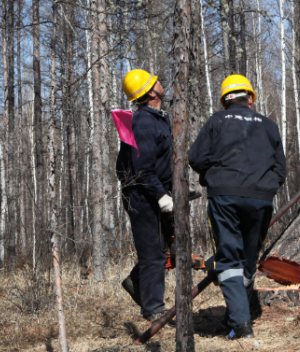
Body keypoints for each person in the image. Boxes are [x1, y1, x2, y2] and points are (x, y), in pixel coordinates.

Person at [188, 74, 287, 339]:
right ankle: (234, 318)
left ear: (225, 102)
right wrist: (265, 189)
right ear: (250, 98)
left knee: (229, 259)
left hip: (224, 197)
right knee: (248, 261)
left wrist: (214, 176)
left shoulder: (217, 121)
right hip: (260, 199)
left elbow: (196, 158)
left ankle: (241, 324)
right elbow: (281, 169)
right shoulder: (269, 125)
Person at [116, 69, 173, 322]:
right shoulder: (144, 122)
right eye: (157, 82)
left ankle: (136, 282)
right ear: (151, 92)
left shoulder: (158, 118)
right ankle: (154, 311)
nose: (161, 84)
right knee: (152, 254)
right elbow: (142, 168)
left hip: (155, 192)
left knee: (164, 251)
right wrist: (161, 196)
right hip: (142, 195)